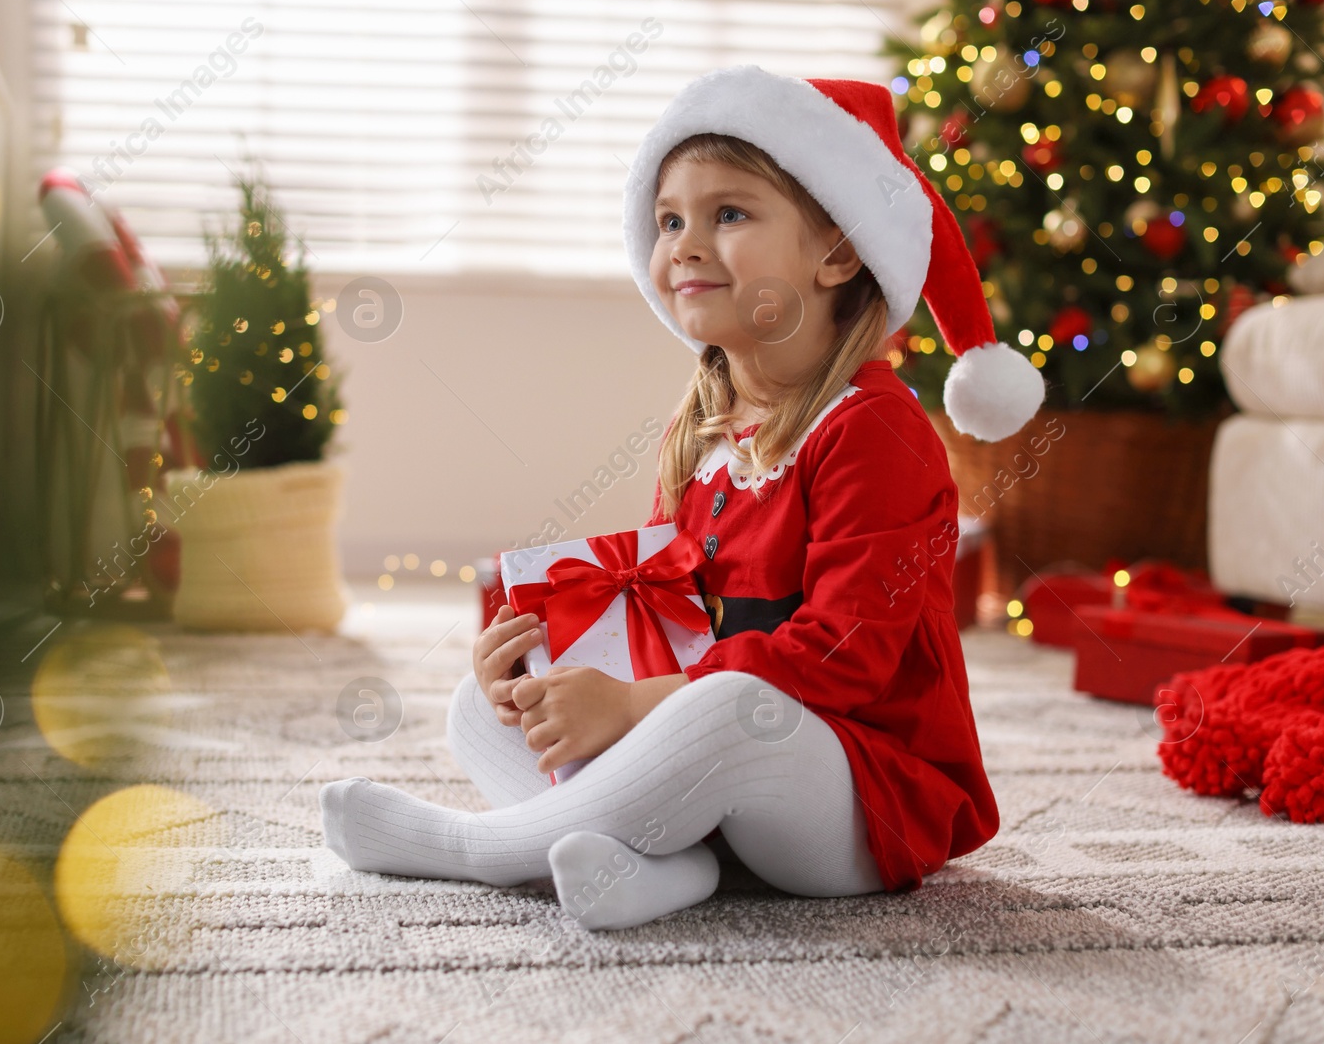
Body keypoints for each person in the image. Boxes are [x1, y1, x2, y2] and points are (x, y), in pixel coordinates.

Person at [319, 64, 1046, 930]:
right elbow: (667, 616)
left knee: (733, 709)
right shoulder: (701, 428)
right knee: (483, 706)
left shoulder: (874, 432)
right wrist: (548, 662)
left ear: (838, 251)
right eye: (669, 221)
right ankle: (665, 869)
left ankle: (482, 850)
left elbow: (838, 661)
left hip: (862, 794)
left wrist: (628, 706)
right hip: (723, 769)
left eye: (728, 214)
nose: (684, 245)